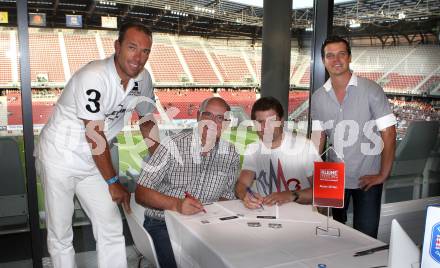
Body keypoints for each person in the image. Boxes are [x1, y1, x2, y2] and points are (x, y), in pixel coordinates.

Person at [34, 21, 158, 268]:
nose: (139, 57)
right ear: (117, 47)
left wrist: (161, 161)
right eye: (132, 47)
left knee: (111, 225)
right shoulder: (94, 76)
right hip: (61, 156)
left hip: (94, 162)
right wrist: (113, 182)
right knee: (61, 232)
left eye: (145, 51)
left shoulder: (143, 78)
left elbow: (147, 121)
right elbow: (95, 135)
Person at [135, 97, 240, 268]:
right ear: (198, 116)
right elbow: (141, 192)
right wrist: (177, 205)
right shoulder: (171, 145)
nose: (213, 123)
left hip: (207, 224)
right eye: (208, 115)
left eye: (220, 118)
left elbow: (225, 197)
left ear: (227, 123)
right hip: (164, 223)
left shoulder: (231, 154)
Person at [311, 36, 397, 238]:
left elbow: (389, 133)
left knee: (366, 237)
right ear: (324, 61)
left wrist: (383, 174)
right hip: (332, 177)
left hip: (367, 178)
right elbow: (318, 138)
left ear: (349, 57)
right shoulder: (318, 97)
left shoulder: (371, 89)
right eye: (329, 55)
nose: (336, 60)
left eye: (341, 54)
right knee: (330, 233)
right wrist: (311, 173)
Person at [235, 97, 321, 209]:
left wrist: (291, 195)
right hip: (267, 213)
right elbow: (242, 184)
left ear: (281, 121)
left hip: (301, 214)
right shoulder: (252, 149)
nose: (265, 128)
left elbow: (322, 190)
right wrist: (245, 195)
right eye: (260, 122)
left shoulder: (305, 146)